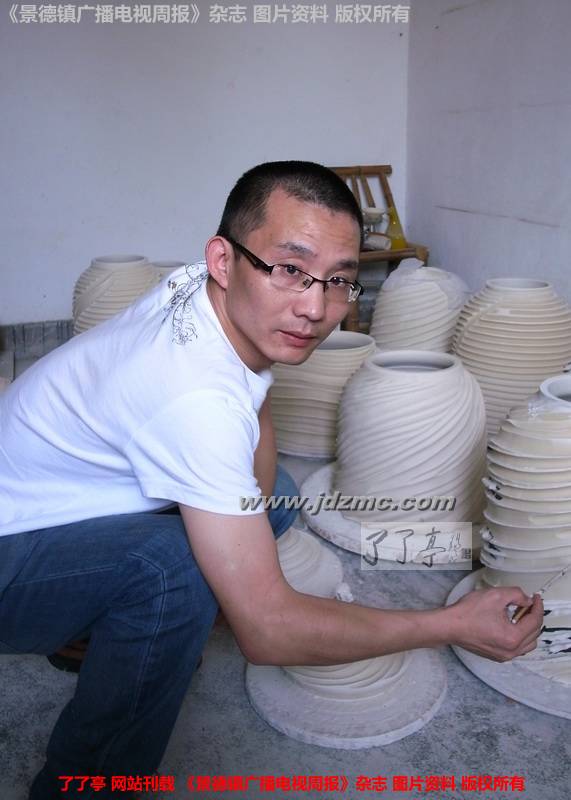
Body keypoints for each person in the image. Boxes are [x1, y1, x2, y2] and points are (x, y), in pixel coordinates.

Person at [0, 161, 543, 799]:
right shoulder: (192, 400)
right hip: (14, 544)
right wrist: (450, 624)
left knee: (274, 493)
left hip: (52, 490)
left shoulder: (200, 288)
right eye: (289, 268)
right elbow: (268, 632)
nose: (315, 308)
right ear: (223, 260)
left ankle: (95, 630)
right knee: (172, 572)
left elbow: (248, 405)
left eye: (338, 280)